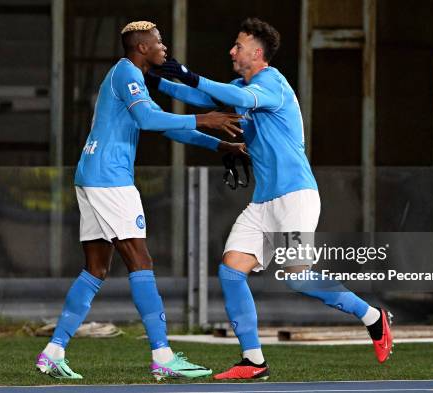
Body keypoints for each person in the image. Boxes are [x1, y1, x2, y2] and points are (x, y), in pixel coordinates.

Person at [150, 17, 393, 380]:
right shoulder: (239, 85)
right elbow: (202, 97)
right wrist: (153, 79)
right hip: (263, 203)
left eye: (238, 45)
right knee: (231, 271)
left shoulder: (272, 83)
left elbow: (238, 98)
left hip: (296, 197)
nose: (232, 51)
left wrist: (186, 72)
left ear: (257, 52)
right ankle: (253, 360)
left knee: (297, 278)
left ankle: (373, 316)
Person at [35, 20, 245, 381]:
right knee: (141, 261)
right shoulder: (126, 73)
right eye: (159, 42)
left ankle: (53, 351)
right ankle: (162, 355)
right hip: (110, 180)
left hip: (92, 175)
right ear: (142, 48)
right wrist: (206, 119)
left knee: (96, 269)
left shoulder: (132, 78)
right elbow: (148, 120)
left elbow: (162, 125)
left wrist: (219, 145)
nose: (164, 47)